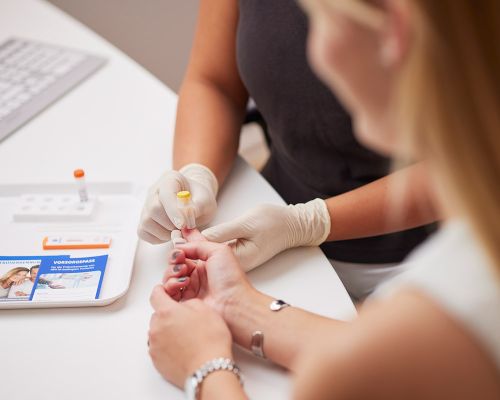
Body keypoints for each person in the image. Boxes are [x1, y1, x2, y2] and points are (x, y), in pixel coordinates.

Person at [148, 0, 500, 398]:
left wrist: (205, 369)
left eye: (319, 21)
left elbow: (374, 364)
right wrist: (241, 307)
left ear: (396, 34)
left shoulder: (422, 328)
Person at [137, 0, 440, 300]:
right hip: (272, 220)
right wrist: (197, 172)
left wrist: (307, 222)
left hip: (429, 250)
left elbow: (477, 165)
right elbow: (214, 81)